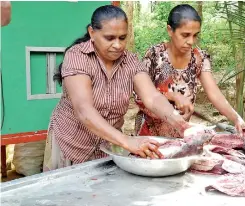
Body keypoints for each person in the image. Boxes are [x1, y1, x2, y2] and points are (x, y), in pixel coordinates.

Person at [43, 5, 190, 171]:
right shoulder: (77, 56)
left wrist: (179, 123)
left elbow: (152, 97)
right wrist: (126, 141)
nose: (118, 45)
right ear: (92, 33)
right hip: (71, 143)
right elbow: (83, 109)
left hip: (108, 145)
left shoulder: (130, 61)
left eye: (122, 38)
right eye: (110, 38)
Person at [134, 4, 245, 138]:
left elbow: (214, 93)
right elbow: (140, 93)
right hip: (149, 135)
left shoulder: (198, 59)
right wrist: (172, 95)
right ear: (170, 30)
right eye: (185, 35)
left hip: (181, 135)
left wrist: (236, 119)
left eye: (195, 35)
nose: (191, 41)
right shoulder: (156, 56)